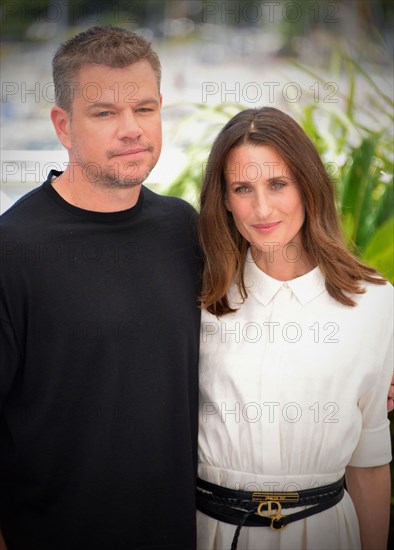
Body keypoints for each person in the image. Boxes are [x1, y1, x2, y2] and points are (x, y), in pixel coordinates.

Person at [0, 26, 201, 550]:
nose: (132, 129)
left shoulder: (185, 229)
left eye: (145, 108)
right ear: (63, 126)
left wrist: (366, 353)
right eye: (105, 113)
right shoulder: (12, 250)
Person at [196, 107, 392, 550]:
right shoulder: (200, 296)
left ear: (307, 184)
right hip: (210, 532)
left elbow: (369, 461)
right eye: (242, 188)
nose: (262, 208)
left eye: (278, 184)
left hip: (325, 532)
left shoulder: (375, 301)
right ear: (224, 199)